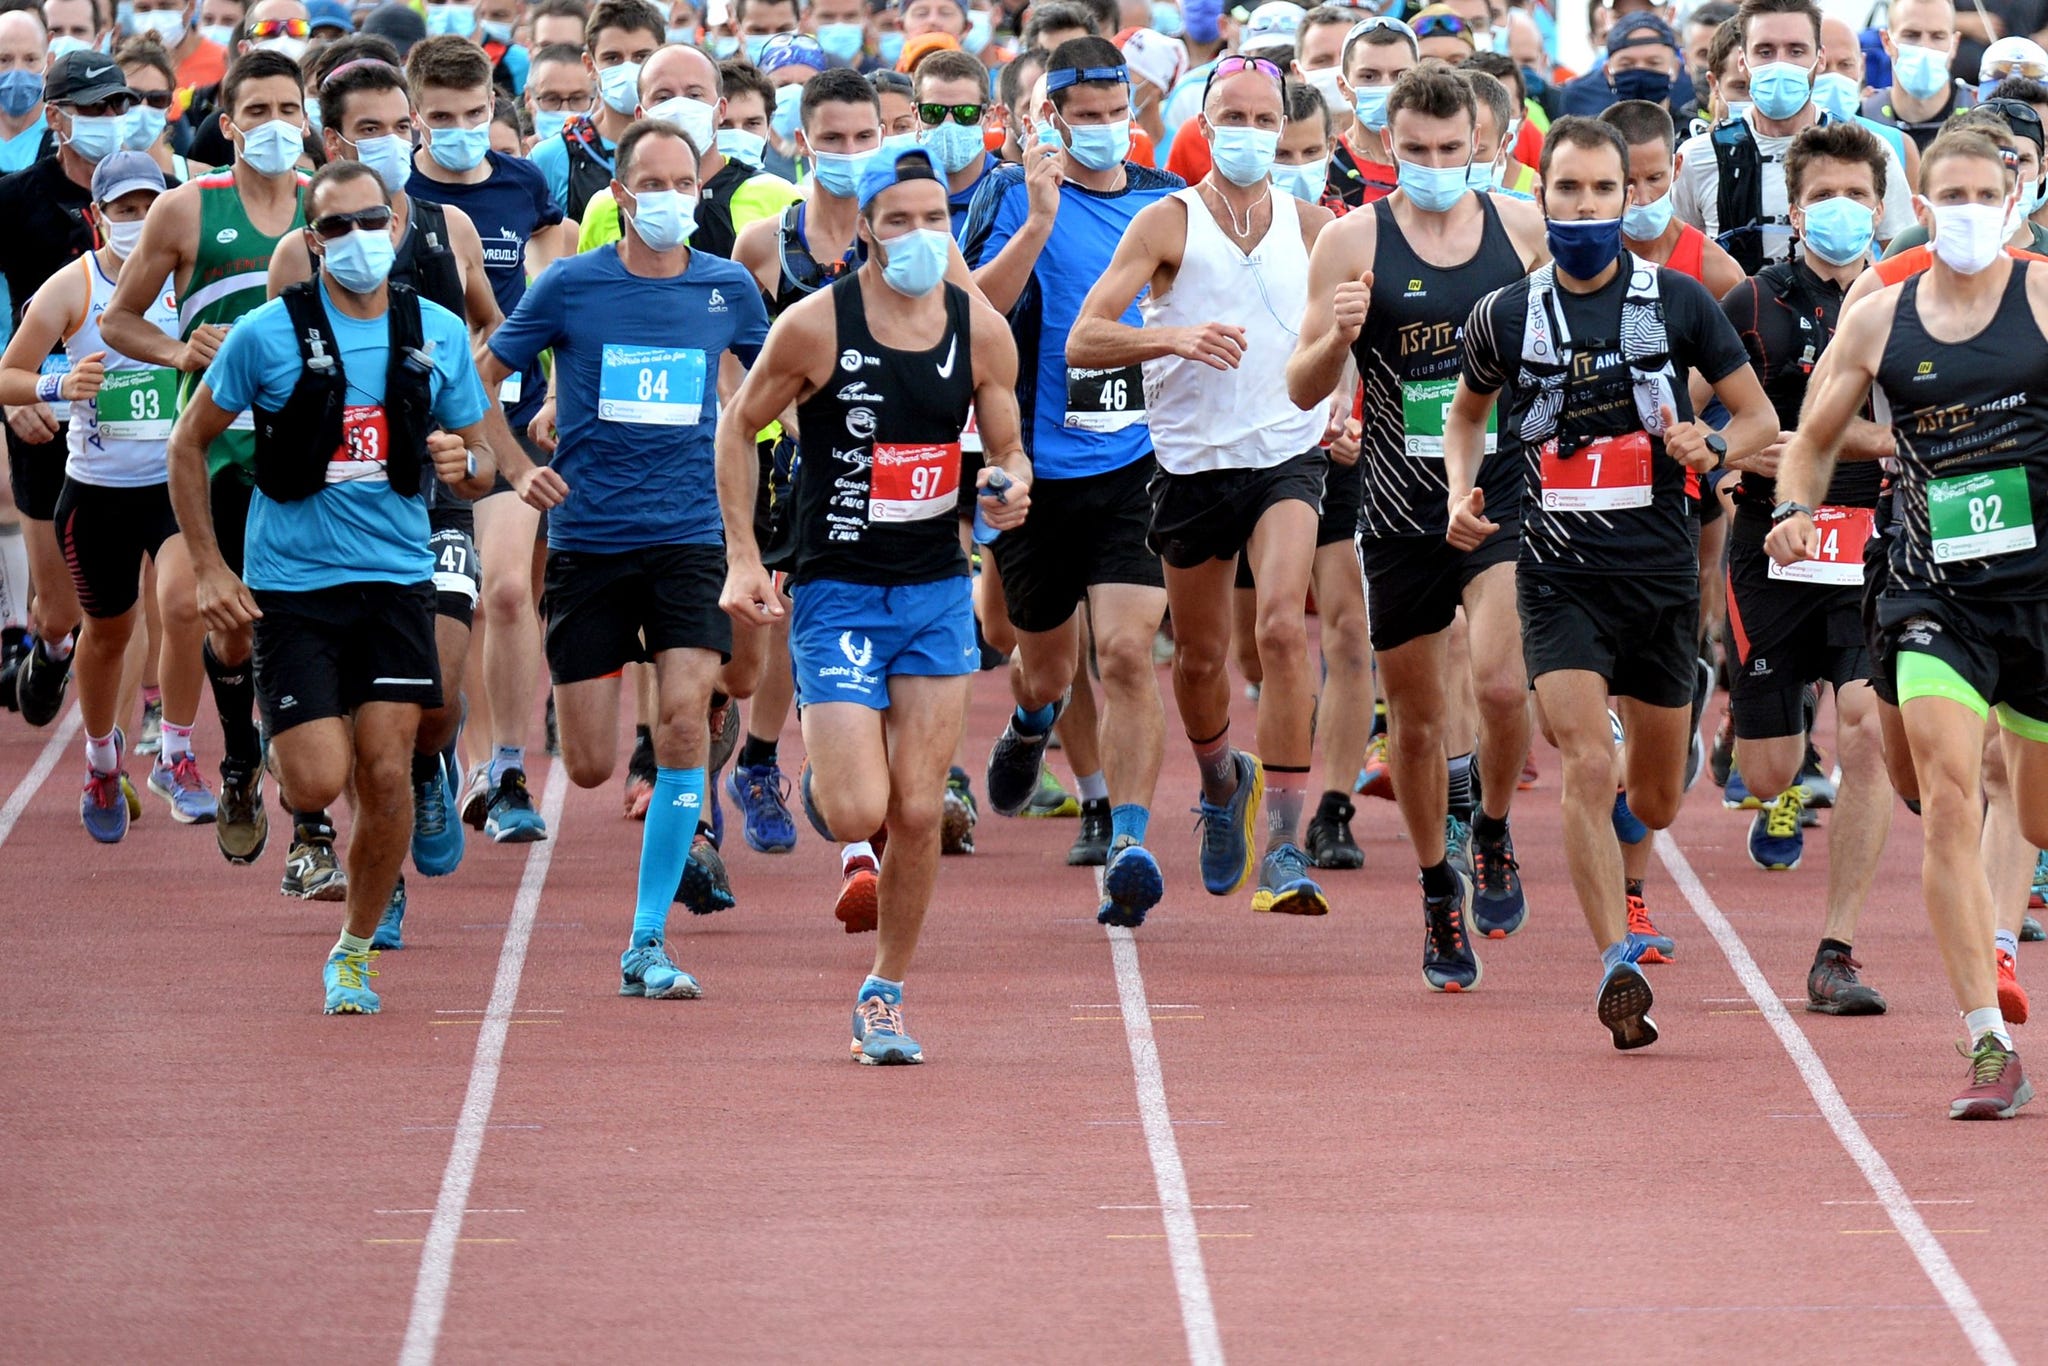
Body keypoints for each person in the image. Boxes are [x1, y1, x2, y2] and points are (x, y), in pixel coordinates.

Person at [1443, 115, 1776, 1046]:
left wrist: (1708, 442)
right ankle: (1613, 963)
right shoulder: (1505, 314)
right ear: (1540, 196)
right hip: (1555, 575)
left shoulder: (1677, 303)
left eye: (1602, 191)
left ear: (1628, 198)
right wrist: (1461, 490)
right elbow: (1467, 417)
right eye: (1567, 191)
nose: (1585, 206)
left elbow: (1757, 419)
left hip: (1661, 578)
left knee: (1655, 801)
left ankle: (1659, 733)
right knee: (1588, 763)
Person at [717, 146, 1031, 1063]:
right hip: (840, 595)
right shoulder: (816, 326)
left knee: (923, 812)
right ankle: (825, 778)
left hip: (936, 591)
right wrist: (743, 557)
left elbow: (1010, 454)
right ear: (864, 229)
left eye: (936, 218)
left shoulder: (981, 331)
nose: (921, 236)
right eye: (900, 220)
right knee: (859, 810)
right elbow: (739, 431)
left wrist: (1009, 489)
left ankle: (885, 992)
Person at [166, 158, 496, 1014]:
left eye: (372, 222)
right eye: (338, 228)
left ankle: (353, 950)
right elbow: (185, 445)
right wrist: (209, 567)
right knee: (317, 781)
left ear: (396, 226)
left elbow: (478, 455)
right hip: (294, 586)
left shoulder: (436, 331)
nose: (358, 241)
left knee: (387, 771)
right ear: (314, 242)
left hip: (395, 579)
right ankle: (262, 749)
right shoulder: (265, 335)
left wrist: (470, 466)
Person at [1768, 123, 2048, 1118]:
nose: (1968, 212)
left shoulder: (2042, 296)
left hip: (2039, 594)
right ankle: (1987, 1044)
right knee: (1940, 789)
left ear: (2014, 202)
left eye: (1986, 194)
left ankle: (2012, 908)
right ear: (1919, 209)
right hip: (1932, 590)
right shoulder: (1878, 315)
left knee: (2032, 806)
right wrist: (1790, 512)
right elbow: (1805, 440)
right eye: (1949, 196)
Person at [479, 118, 771, 992]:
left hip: (689, 536)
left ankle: (647, 938)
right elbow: (484, 373)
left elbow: (775, 387)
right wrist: (517, 465)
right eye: (654, 183)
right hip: (589, 540)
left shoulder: (728, 290)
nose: (673, 197)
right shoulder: (572, 284)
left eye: (686, 182)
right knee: (591, 762)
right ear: (619, 193)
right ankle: (628, 771)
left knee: (684, 719)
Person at [1289, 66, 1548, 988]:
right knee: (1421, 721)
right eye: (1419, 151)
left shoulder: (1522, 229)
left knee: (1506, 684)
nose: (1436, 165)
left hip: (1501, 488)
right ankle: (1439, 888)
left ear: (1481, 143)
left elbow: (1562, 355)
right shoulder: (1352, 239)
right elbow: (1302, 387)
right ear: (1388, 145)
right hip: (1397, 505)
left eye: (1453, 149)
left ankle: (1492, 828)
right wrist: (1336, 335)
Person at [1072, 54, 1335, 914]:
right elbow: (1085, 339)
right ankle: (1224, 782)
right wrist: (1171, 341)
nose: (1251, 133)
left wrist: (1346, 405)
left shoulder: (1315, 223)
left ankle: (1287, 845)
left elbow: (1342, 331)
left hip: (1286, 453)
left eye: (1266, 120)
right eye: (1235, 116)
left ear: (1286, 129)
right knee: (1199, 659)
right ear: (1204, 123)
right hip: (1192, 463)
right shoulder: (1165, 222)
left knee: (1283, 629)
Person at [264, 46, 510, 935]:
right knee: (373, 740)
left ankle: (426, 774)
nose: (392, 142)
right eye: (368, 130)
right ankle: (383, 881)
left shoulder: (451, 231)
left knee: (436, 709)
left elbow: (489, 330)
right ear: (332, 142)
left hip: (428, 491)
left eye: (400, 128)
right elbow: (284, 371)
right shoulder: (303, 254)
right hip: (339, 506)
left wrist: (459, 425)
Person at [962, 37, 1183, 927]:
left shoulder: (1169, 200)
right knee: (1046, 667)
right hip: (1032, 468)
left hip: (1136, 462)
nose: (1101, 131)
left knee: (1128, 653)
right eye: (1082, 117)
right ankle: (1029, 722)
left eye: (1113, 114)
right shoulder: (1008, 193)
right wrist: (1040, 221)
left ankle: (1130, 837)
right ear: (1048, 118)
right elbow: (967, 309)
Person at [102, 49, 325, 882]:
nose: (274, 126)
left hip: (310, 455)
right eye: (256, 112)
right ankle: (238, 763)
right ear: (226, 124)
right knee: (231, 630)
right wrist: (176, 347)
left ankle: (310, 820)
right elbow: (121, 321)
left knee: (304, 629)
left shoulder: (328, 209)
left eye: (286, 109)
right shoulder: (186, 211)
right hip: (221, 451)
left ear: (306, 120)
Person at [1714, 120, 1894, 1014]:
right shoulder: (1751, 303)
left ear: (1882, 208)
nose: (1842, 211)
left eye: (1857, 197)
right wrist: (1769, 459)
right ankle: (1752, 729)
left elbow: (1910, 432)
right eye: (1825, 196)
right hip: (1769, 551)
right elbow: (1706, 431)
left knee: (1866, 731)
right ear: (1793, 210)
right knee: (1770, 772)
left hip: (1872, 546)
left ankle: (1837, 951)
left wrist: (1852, 442)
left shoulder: (1907, 302)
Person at [0, 150, 215, 835]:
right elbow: (9, 376)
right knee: (107, 635)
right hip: (95, 492)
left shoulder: (192, 282)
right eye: (125, 210)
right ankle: (100, 762)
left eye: (151, 207)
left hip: (177, 485)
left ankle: (177, 754)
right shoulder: (72, 288)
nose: (139, 220)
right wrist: (59, 386)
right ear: (98, 218)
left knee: (185, 607)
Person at [397, 36, 573, 849]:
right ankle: (454, 752)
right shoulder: (391, 196)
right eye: (441, 119)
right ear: (413, 118)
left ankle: (504, 771)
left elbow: (549, 270)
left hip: (502, 421)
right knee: (449, 605)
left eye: (474, 116)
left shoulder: (521, 182)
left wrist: (522, 346)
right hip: (410, 432)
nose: (460, 131)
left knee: (505, 591)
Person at [0, 50, 132, 731]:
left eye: (119, 106)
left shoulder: (154, 194)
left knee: (129, 596)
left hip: (131, 422)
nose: (111, 119)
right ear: (55, 117)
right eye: (94, 109)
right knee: (58, 608)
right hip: (41, 417)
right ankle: (49, 650)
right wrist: (11, 391)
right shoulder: (14, 198)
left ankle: (135, 732)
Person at [1672, 0, 1913, 274]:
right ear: (1743, 60)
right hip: (1735, 314)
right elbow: (1679, 263)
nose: (1780, 64)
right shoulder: (1699, 156)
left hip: (1844, 312)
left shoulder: (1868, 151)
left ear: (1819, 59)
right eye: (1765, 51)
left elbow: (1903, 261)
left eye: (1796, 51)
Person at [528, 0, 663, 222]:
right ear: (590, 65)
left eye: (641, 56)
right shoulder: (550, 158)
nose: (627, 68)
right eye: (612, 58)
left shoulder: (688, 147)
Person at [1325, 15, 1415, 210]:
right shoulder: (1324, 164)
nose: (1387, 87)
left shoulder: (1439, 163)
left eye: (1400, 76)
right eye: (1369, 76)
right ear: (1343, 86)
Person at [1860, 0, 1965, 152]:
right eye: (1911, 35)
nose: (1924, 47)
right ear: (1886, 41)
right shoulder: (1863, 121)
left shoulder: (1981, 119)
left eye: (1937, 37)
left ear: (1954, 44)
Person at [0, 10, 55, 175]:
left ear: (49, 62)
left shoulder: (64, 139)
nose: (17, 71)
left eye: (30, 59)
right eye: (4, 60)